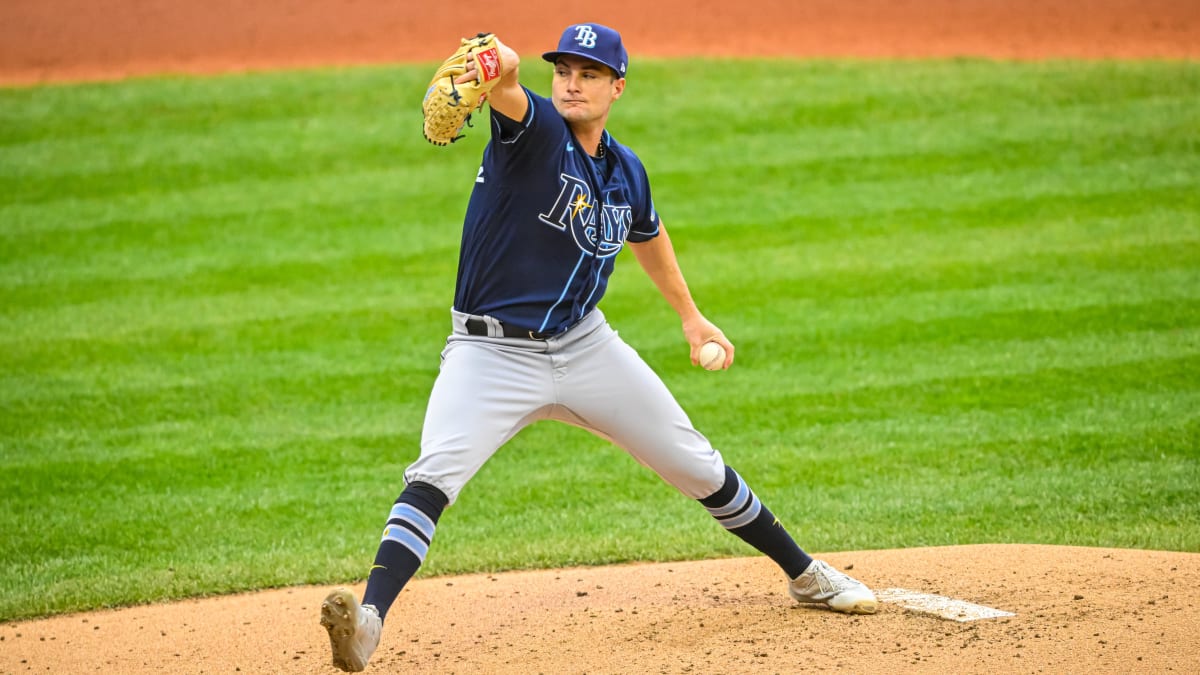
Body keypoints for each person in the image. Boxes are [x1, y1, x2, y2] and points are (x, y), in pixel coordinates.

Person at [319, 23, 877, 672]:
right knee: (433, 474)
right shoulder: (535, 132)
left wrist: (691, 318)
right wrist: (495, 61)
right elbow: (503, 70)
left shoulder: (626, 170)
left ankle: (806, 575)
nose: (571, 83)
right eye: (564, 72)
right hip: (489, 355)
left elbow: (649, 232)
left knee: (695, 462)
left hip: (586, 348)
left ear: (617, 86)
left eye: (588, 74)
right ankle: (366, 624)